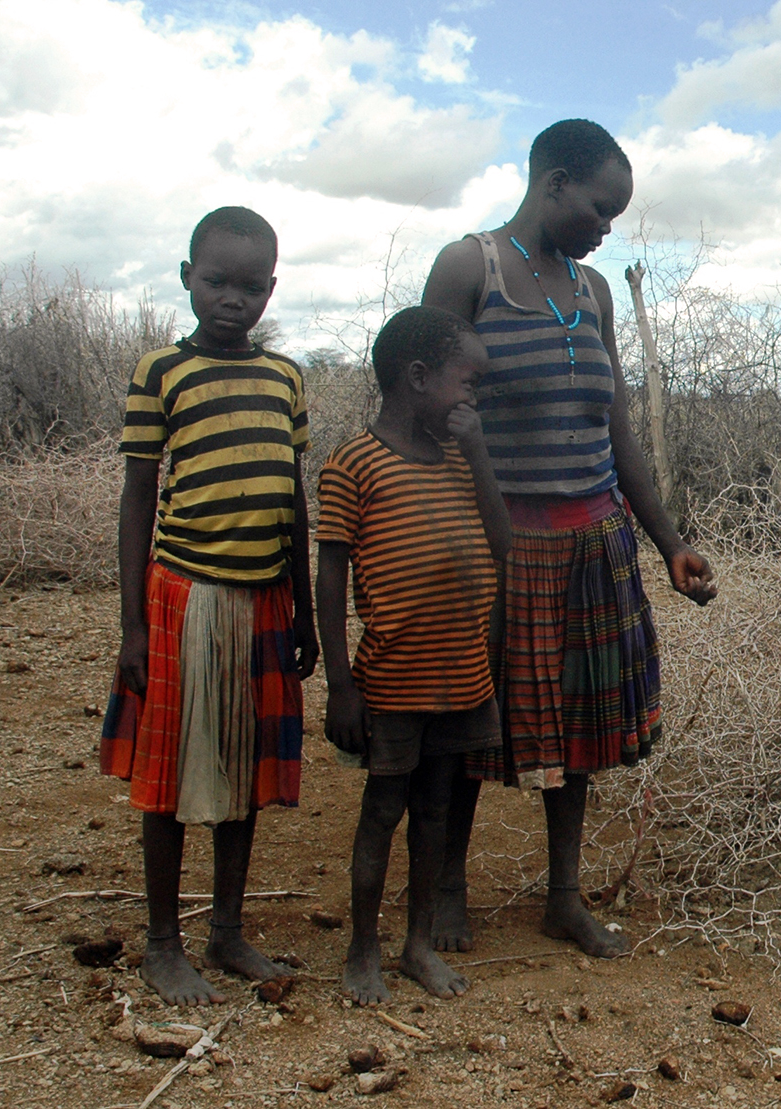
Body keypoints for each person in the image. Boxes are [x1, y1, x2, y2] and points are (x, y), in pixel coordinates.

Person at [420, 119, 716, 958]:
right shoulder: (467, 268)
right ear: (553, 184)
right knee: (474, 724)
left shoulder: (592, 291)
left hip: (592, 539)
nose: (606, 226)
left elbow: (614, 420)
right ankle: (445, 889)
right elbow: (420, 402)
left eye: (615, 214)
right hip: (495, 542)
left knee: (578, 729)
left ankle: (563, 895)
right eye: (600, 206)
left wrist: (667, 541)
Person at [100, 206, 316, 1005]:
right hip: (183, 599)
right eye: (217, 281)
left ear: (271, 288)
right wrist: (131, 625)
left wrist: (305, 612)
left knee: (243, 768)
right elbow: (136, 499)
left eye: (251, 286)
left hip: (263, 601)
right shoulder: (162, 372)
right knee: (171, 774)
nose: (233, 298)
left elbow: (293, 499)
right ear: (187, 276)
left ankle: (227, 930)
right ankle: (164, 942)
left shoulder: (285, 377)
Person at [315, 307, 511, 1003]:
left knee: (436, 814)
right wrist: (341, 685)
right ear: (419, 377)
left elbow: (502, 540)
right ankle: (363, 948)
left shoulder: (463, 457)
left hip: (462, 675)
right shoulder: (353, 466)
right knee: (383, 811)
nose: (473, 399)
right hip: (393, 679)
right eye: (468, 384)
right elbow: (331, 579)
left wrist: (481, 450)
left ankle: (417, 945)